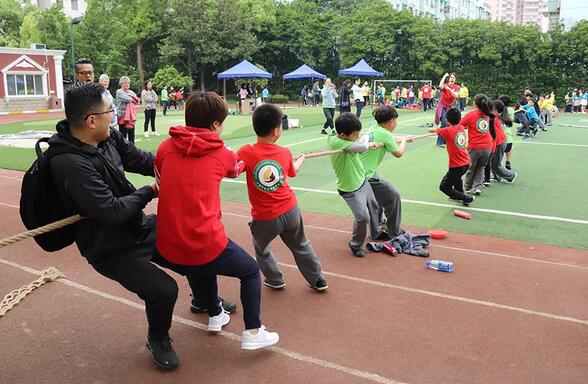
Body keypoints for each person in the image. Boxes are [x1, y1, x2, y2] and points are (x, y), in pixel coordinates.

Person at [49, 83, 179, 369]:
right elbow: (110, 211)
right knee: (164, 290)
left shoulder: (107, 137)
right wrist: (150, 191)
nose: (116, 117)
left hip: (136, 227)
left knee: (192, 246)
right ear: (91, 120)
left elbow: (142, 160)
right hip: (109, 247)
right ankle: (158, 338)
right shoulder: (69, 163)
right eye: (111, 112)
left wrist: (178, 161)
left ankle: (207, 299)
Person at [155, 91, 279, 351]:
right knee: (249, 271)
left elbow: (159, 178)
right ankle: (254, 331)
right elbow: (236, 169)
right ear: (214, 125)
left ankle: (215, 314)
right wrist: (246, 156)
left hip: (168, 244)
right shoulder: (221, 152)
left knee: (201, 261)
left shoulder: (165, 147)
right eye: (221, 123)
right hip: (203, 241)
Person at [237, 104, 327, 291]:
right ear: (277, 131)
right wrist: (300, 159)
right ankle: (317, 279)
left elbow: (234, 167)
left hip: (265, 217)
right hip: (290, 209)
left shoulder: (246, 151)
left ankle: (275, 279)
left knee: (261, 248)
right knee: (301, 244)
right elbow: (293, 171)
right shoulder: (285, 153)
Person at [328, 113, 382, 257]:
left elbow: (360, 145)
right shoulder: (336, 142)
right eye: (354, 135)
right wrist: (367, 144)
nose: (357, 137)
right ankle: (355, 244)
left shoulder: (345, 140)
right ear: (343, 135)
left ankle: (376, 233)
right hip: (350, 189)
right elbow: (361, 148)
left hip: (362, 180)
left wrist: (365, 143)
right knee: (363, 217)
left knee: (374, 207)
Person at [360, 105, 413, 237]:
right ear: (391, 121)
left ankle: (378, 223)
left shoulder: (375, 128)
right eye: (396, 120)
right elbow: (399, 153)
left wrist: (401, 139)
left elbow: (388, 139)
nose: (396, 123)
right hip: (366, 175)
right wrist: (404, 141)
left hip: (361, 172)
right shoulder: (385, 134)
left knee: (378, 197)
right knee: (393, 196)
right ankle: (393, 231)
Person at [428, 108, 474, 206]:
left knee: (444, 187)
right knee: (457, 179)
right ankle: (460, 194)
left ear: (447, 120)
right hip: (466, 163)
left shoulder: (448, 130)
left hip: (457, 165)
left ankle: (465, 198)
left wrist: (437, 127)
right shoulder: (461, 127)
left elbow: (430, 130)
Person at [460, 94, 494, 195]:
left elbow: (460, 125)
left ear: (474, 103)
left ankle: (467, 187)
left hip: (475, 147)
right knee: (481, 167)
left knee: (471, 167)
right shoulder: (488, 114)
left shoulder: (471, 115)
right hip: (488, 146)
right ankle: (478, 186)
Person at [489, 99, 517, 183]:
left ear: (495, 110)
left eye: (491, 108)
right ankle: (496, 177)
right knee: (493, 162)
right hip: (500, 142)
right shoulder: (497, 117)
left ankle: (511, 176)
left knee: (495, 165)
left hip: (499, 143)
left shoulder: (494, 118)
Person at [435, 73, 460, 147]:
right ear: (448, 79)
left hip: (449, 106)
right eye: (451, 77)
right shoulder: (445, 85)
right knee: (443, 123)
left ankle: (445, 141)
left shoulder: (456, 87)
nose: (452, 79)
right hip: (442, 106)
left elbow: (455, 96)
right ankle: (439, 143)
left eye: (453, 78)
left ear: (455, 80)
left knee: (449, 124)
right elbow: (440, 86)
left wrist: (449, 89)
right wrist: (444, 76)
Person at [116, 76, 140, 144]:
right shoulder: (119, 91)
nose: (127, 84)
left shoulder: (131, 91)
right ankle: (123, 152)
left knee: (131, 136)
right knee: (123, 136)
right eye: (125, 83)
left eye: (128, 83)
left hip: (131, 117)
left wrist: (132, 98)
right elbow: (128, 99)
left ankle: (132, 151)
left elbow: (137, 100)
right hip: (123, 117)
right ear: (121, 84)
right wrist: (132, 98)